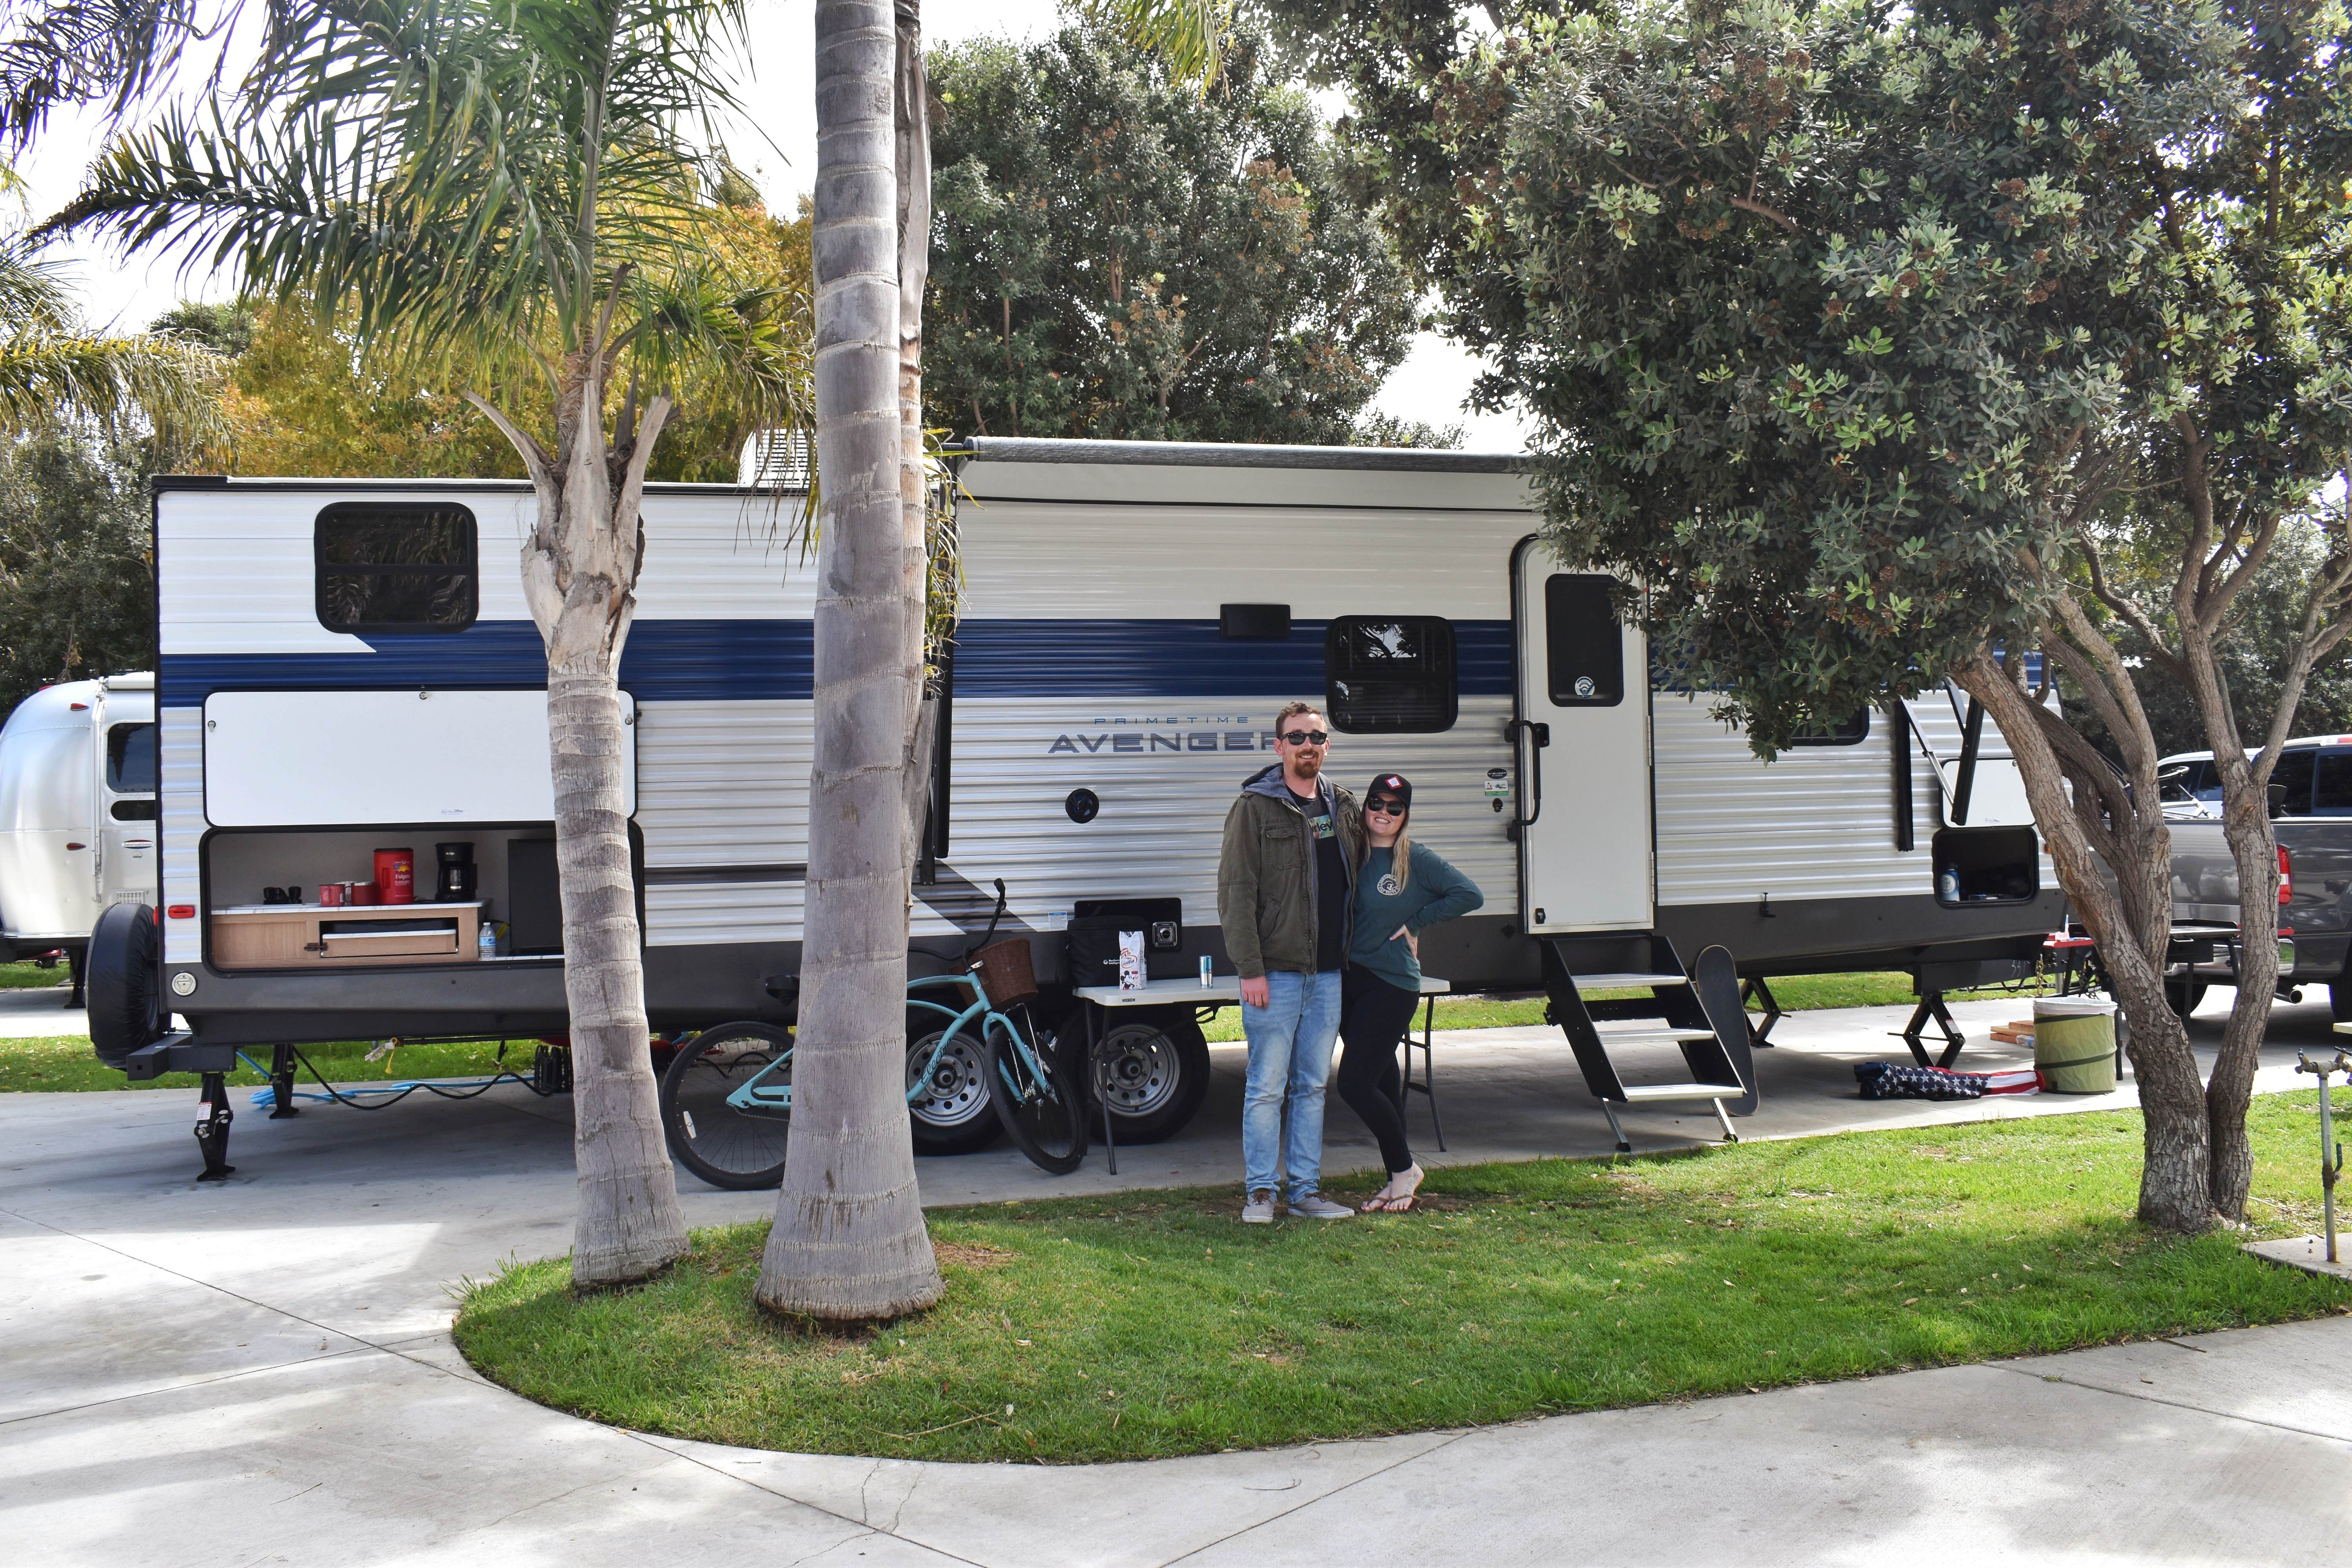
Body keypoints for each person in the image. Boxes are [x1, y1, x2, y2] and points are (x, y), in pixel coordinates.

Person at [1217, 700, 1363, 1223]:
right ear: (1278, 747)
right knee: (1266, 1086)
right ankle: (1260, 1192)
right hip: (1274, 973)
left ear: (1328, 746)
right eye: (1297, 738)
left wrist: (1407, 922)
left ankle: (1304, 1191)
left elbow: (1366, 879)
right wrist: (1250, 969)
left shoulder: (1341, 807)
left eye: (1316, 738)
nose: (1308, 746)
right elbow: (1236, 894)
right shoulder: (1255, 808)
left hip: (1327, 976)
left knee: (1312, 1086)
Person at [1337, 771, 1481, 1213]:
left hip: (1391, 983)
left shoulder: (1415, 859)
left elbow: (1468, 894)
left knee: (1354, 1083)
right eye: (1376, 804)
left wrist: (1417, 922)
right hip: (1349, 980)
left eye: (1394, 808)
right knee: (1382, 1079)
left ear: (1405, 815)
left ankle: (1406, 1168)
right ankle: (1397, 1179)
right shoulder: (1353, 854)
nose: (1383, 813)